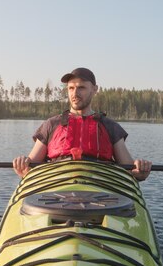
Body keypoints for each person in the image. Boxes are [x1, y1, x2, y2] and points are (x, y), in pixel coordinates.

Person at [12, 67, 152, 181]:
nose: (75, 93)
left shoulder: (110, 127)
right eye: (71, 88)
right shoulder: (51, 124)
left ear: (95, 89)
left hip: (100, 187)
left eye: (81, 88)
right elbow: (30, 167)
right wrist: (22, 166)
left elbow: (130, 169)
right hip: (56, 186)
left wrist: (140, 171)